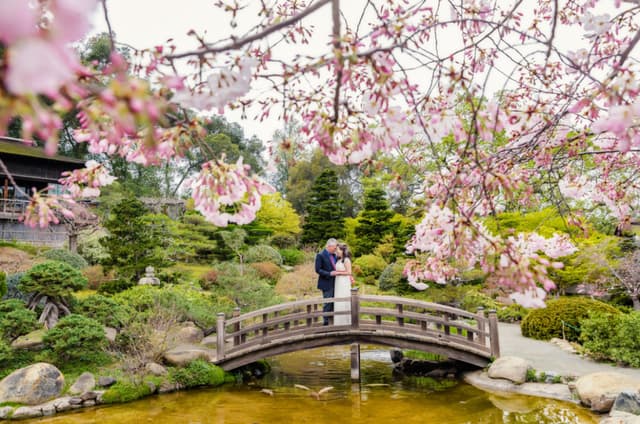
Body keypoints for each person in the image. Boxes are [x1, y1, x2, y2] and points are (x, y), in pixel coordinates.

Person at [315, 238, 348, 325]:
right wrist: (329, 273)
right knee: (328, 303)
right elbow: (318, 270)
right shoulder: (320, 255)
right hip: (326, 283)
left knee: (335, 303)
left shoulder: (335, 255)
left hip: (337, 283)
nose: (336, 249)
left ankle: (334, 321)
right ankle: (326, 323)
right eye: (334, 248)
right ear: (329, 246)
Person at [333, 243, 353, 326]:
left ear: (342, 250)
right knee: (338, 299)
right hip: (338, 282)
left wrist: (337, 273)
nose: (336, 251)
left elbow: (349, 272)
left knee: (343, 299)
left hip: (344, 282)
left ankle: (345, 322)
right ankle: (338, 322)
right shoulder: (338, 259)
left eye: (337, 249)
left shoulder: (346, 260)